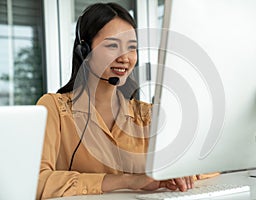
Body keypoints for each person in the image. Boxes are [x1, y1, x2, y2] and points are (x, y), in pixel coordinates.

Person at [36, 2, 199, 199]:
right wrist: (129, 180)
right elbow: (36, 182)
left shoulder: (147, 116)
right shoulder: (53, 109)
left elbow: (207, 163)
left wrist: (183, 169)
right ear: (85, 50)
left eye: (132, 48)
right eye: (112, 45)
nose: (125, 57)